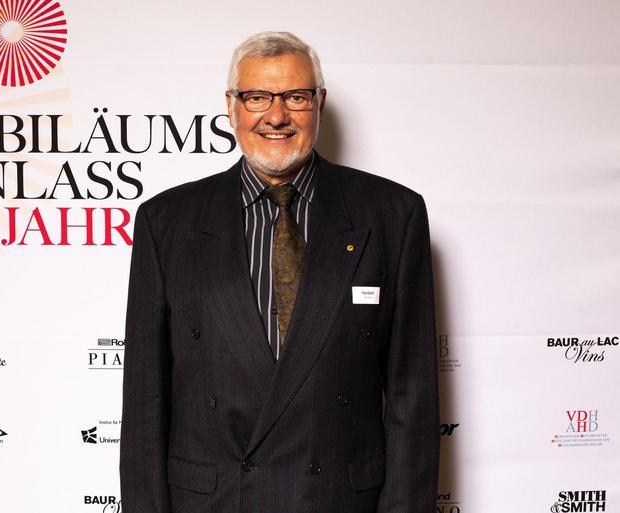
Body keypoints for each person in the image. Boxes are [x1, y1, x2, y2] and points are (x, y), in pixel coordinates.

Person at [120, 31, 439, 513]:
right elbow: (145, 400)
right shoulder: (166, 222)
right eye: (257, 97)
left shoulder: (393, 215)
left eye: (295, 97)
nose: (276, 116)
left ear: (319, 104)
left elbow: (413, 398)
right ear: (231, 107)